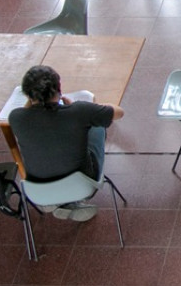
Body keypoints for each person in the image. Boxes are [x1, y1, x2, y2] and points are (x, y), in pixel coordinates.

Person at [8, 65, 123, 222]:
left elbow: (27, 111)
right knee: (97, 128)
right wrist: (78, 108)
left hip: (38, 189)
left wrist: (32, 100)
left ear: (28, 95)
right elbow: (118, 112)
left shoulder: (16, 118)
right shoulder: (79, 111)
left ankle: (58, 202)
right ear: (58, 89)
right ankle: (71, 201)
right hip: (83, 184)